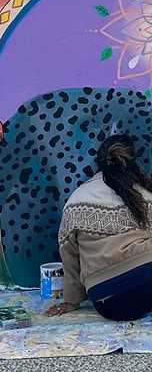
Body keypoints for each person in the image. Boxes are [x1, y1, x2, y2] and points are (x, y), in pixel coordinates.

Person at [46, 134, 152, 321]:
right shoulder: (143, 195)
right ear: (132, 161)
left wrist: (72, 300)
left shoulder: (77, 199)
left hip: (110, 305)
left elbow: (69, 255)